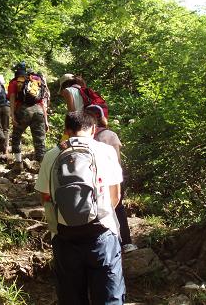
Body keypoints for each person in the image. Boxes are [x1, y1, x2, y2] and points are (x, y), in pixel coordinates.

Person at [35, 111, 126, 304]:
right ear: (93, 129)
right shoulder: (106, 151)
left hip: (64, 236)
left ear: (67, 131)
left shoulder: (51, 155)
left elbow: (45, 196)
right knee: (109, 296)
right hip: (102, 233)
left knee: (71, 297)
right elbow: (116, 196)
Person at [85, 105, 138, 253]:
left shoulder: (85, 137)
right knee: (118, 208)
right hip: (110, 179)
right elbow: (117, 162)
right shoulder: (110, 135)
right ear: (102, 117)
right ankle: (126, 242)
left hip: (91, 180)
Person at [7, 63, 48, 172]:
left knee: (16, 137)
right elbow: (42, 103)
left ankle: (18, 164)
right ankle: (43, 170)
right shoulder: (37, 84)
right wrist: (46, 120)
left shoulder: (15, 83)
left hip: (23, 110)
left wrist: (12, 115)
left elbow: (11, 99)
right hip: (39, 111)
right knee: (39, 141)